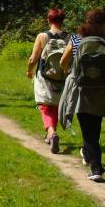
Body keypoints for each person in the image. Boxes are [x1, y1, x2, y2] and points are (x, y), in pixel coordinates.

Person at [58, 8, 105, 182]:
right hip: (103, 90)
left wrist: (71, 72)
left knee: (89, 130)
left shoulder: (76, 39)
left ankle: (96, 168)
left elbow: (63, 62)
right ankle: (90, 157)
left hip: (81, 89)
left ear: (86, 22)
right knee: (92, 127)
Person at [26, 8, 70, 154]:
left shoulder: (42, 36)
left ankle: (51, 133)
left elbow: (34, 58)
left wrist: (29, 70)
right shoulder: (70, 37)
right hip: (63, 77)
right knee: (56, 105)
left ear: (48, 20)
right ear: (62, 20)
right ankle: (51, 134)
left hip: (45, 76)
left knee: (44, 106)